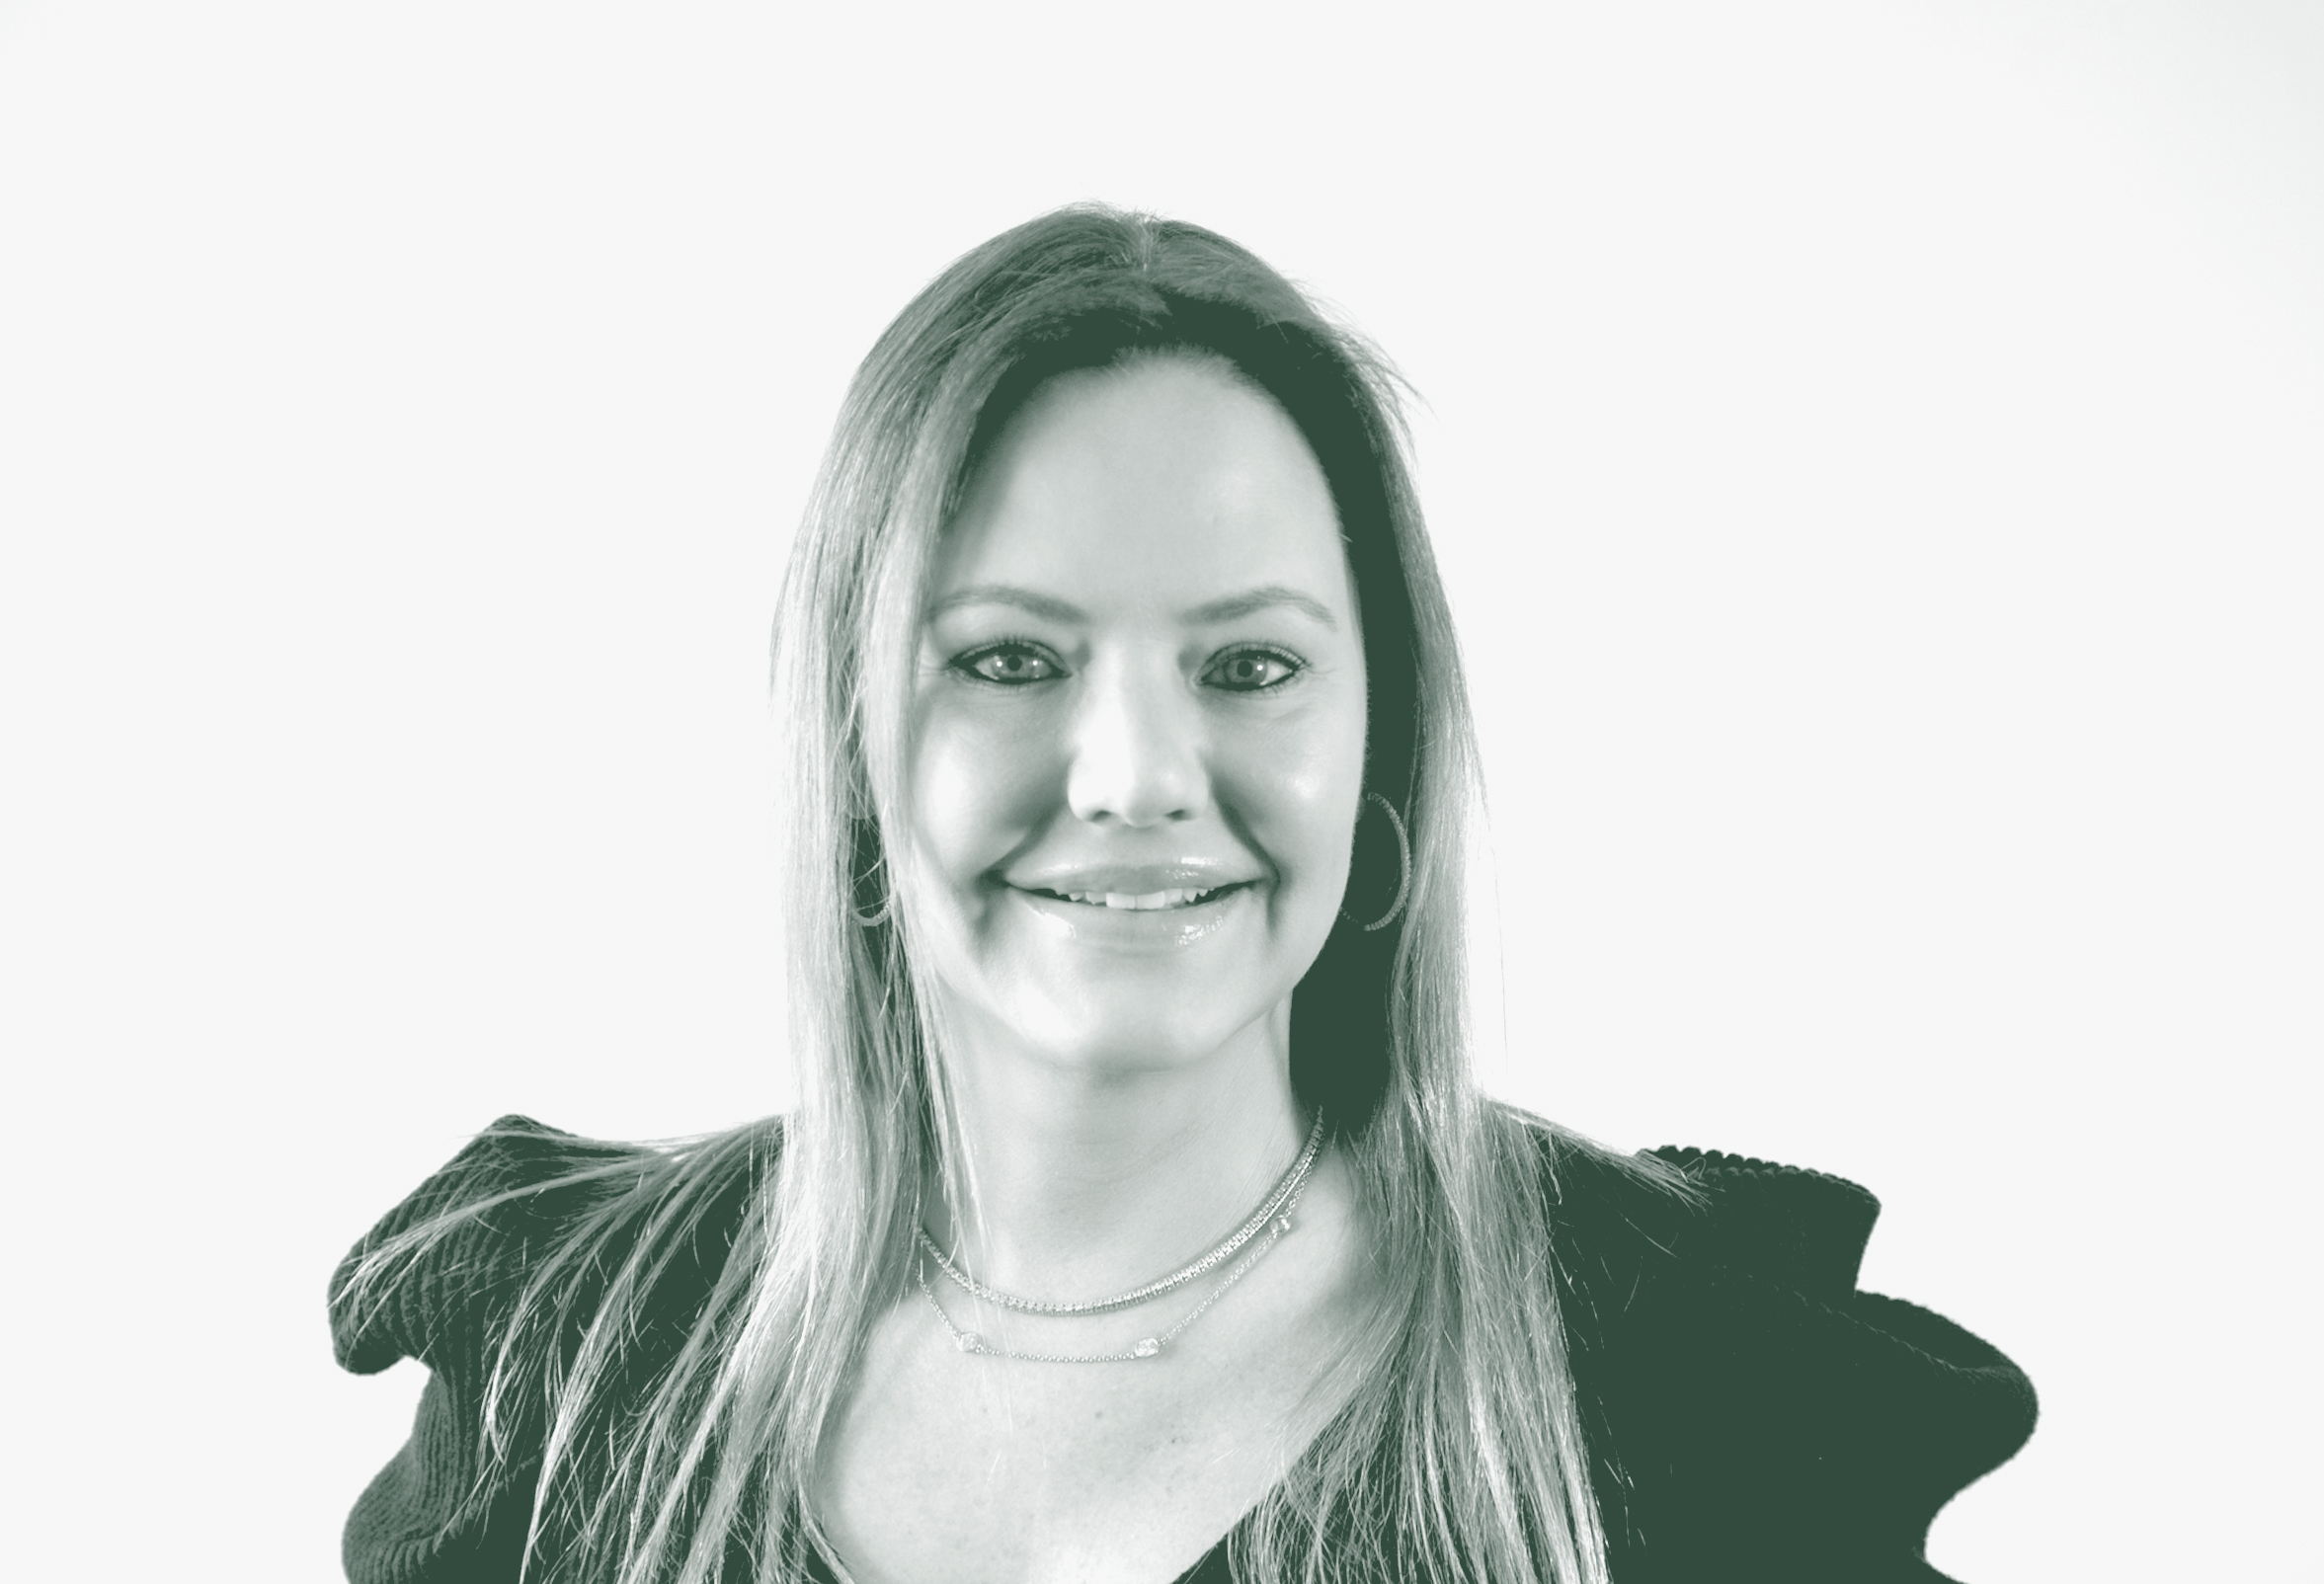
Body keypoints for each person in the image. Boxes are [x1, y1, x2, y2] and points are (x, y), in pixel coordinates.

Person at [331, 204, 2037, 1584]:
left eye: (1247, 663)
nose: (1137, 773)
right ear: (852, 750)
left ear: (1386, 743)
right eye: (1008, 657)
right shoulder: (568, 1370)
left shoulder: (1696, 1392)